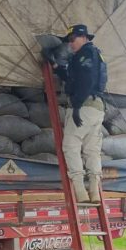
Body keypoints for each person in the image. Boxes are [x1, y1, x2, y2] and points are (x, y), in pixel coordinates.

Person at [49, 24, 107, 203]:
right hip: (97, 108)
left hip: (85, 106)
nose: (71, 44)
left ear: (83, 37)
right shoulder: (94, 55)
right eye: (69, 41)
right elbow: (75, 77)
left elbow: (86, 80)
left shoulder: (86, 53)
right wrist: (57, 68)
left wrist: (76, 106)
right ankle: (95, 192)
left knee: (71, 146)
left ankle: (80, 192)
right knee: (92, 150)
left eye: (73, 39)